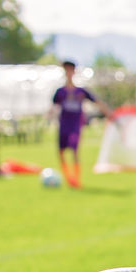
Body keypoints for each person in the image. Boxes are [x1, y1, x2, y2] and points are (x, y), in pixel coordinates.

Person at [49, 60, 99, 188]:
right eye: (66, 70)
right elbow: (53, 107)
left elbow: (97, 102)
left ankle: (76, 180)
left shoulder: (81, 92)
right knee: (61, 152)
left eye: (70, 70)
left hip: (75, 126)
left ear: (74, 72)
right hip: (63, 125)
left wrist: (110, 113)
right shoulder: (60, 92)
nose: (68, 73)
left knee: (75, 152)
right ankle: (68, 178)